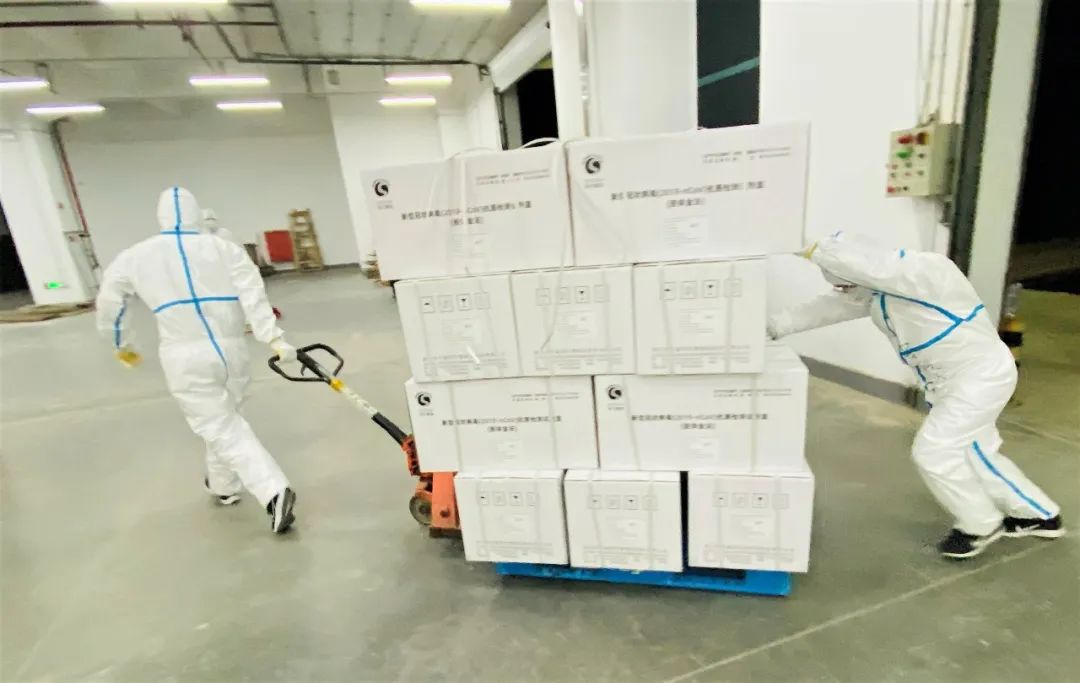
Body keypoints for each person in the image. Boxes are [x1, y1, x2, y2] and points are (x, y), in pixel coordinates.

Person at [769, 232, 1064, 559]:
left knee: (934, 450)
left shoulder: (926, 272)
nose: (844, 292)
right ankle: (1039, 515)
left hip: (980, 376)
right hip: (949, 383)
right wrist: (772, 327)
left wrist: (810, 247)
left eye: (847, 284)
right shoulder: (875, 291)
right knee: (975, 451)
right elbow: (828, 308)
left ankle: (980, 523)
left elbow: (877, 268)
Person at [96, 186, 298, 534]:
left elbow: (110, 304)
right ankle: (222, 485)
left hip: (184, 353)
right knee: (225, 420)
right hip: (232, 351)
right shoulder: (225, 249)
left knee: (220, 425)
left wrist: (122, 344)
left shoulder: (137, 256)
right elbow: (253, 293)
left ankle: (273, 491)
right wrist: (272, 337)